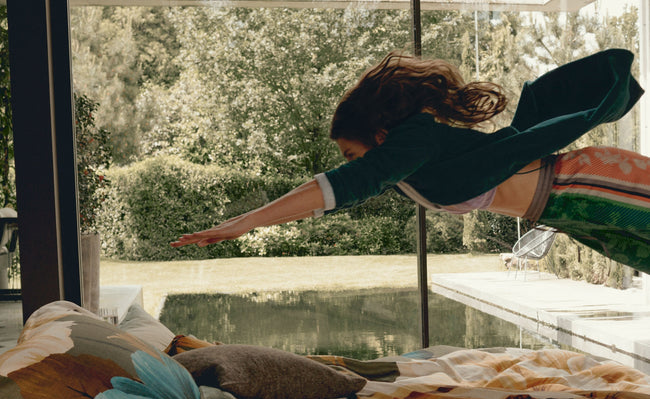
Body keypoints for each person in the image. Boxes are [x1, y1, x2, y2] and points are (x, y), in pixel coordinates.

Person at [171, 48, 650, 274]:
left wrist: (244, 222)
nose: (352, 166)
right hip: (566, 212)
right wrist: (243, 226)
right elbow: (327, 198)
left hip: (585, 183)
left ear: (379, 135)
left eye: (352, 153)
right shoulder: (410, 170)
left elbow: (345, 184)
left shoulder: (414, 139)